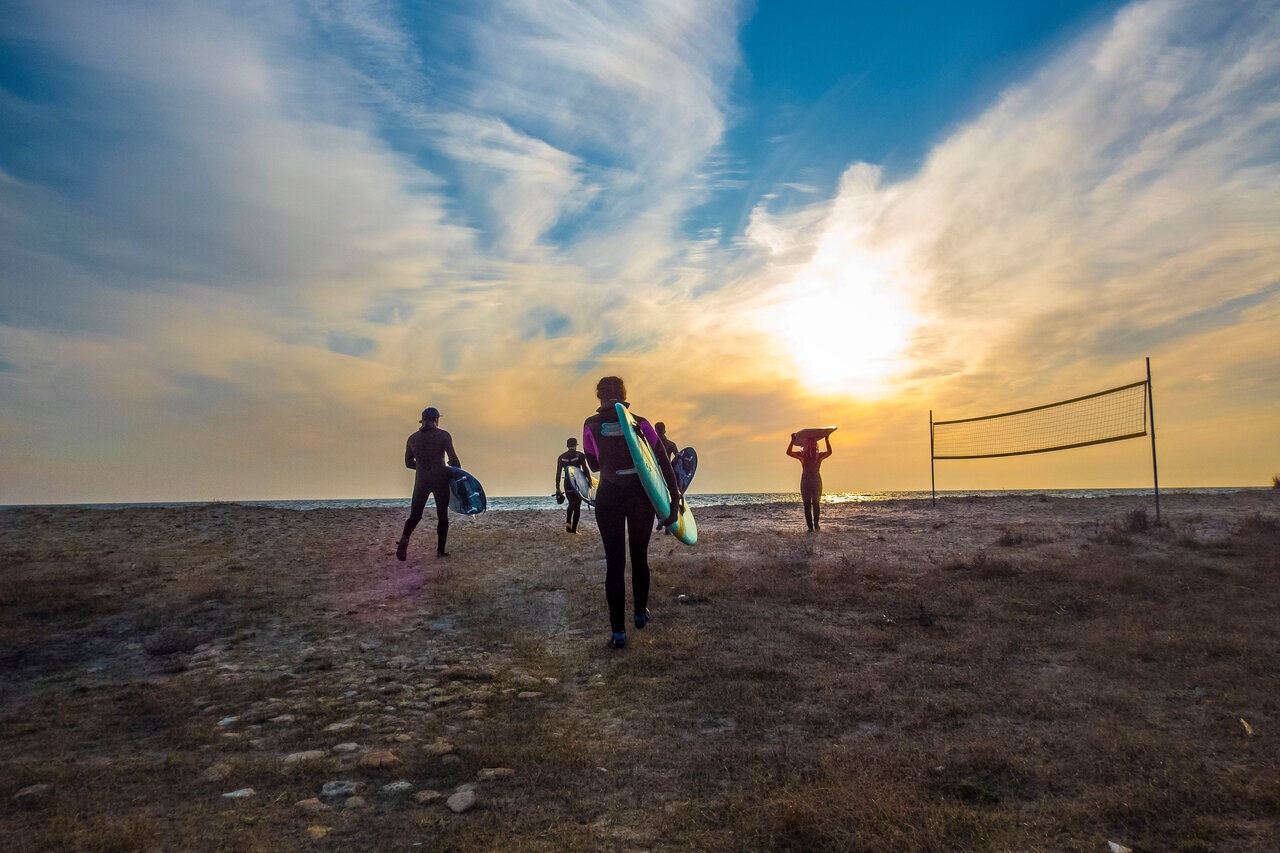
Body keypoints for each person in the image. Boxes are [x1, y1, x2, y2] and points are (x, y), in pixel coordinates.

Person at [582, 376, 680, 650]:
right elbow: (662, 461)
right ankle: (639, 613)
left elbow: (593, 464)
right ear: (625, 394)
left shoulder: (590, 424)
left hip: (609, 496)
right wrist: (674, 501)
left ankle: (618, 634)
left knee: (614, 564)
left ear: (599, 396)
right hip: (640, 496)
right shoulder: (642, 422)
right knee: (639, 557)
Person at [396, 407, 460, 560]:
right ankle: (440, 551)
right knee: (442, 516)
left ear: (422, 420)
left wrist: (422, 467)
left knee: (415, 515)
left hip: (421, 480)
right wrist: (457, 474)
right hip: (440, 478)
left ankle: (405, 538)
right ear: (436, 420)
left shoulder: (412, 438)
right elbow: (454, 460)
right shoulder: (444, 436)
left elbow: (407, 463)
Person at [786, 432, 832, 531]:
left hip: (809, 482)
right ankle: (814, 526)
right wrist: (826, 439)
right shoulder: (814, 456)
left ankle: (812, 527)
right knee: (814, 504)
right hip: (814, 481)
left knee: (810, 505)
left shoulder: (807, 455)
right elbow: (829, 452)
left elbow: (788, 452)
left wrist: (792, 441)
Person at [554, 437, 588, 534]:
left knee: (571, 503)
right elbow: (585, 469)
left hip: (568, 483)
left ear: (567, 446)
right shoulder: (580, 455)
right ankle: (573, 529)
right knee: (577, 506)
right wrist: (589, 480)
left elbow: (558, 473)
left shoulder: (561, 457)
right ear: (575, 446)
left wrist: (557, 487)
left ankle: (568, 522)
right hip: (578, 482)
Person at [653, 422, 678, 532]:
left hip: (665, 473)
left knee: (661, 497)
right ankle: (661, 521)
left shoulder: (669, 444)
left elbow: (678, 458)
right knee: (659, 498)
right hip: (659, 473)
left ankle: (666, 523)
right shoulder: (653, 443)